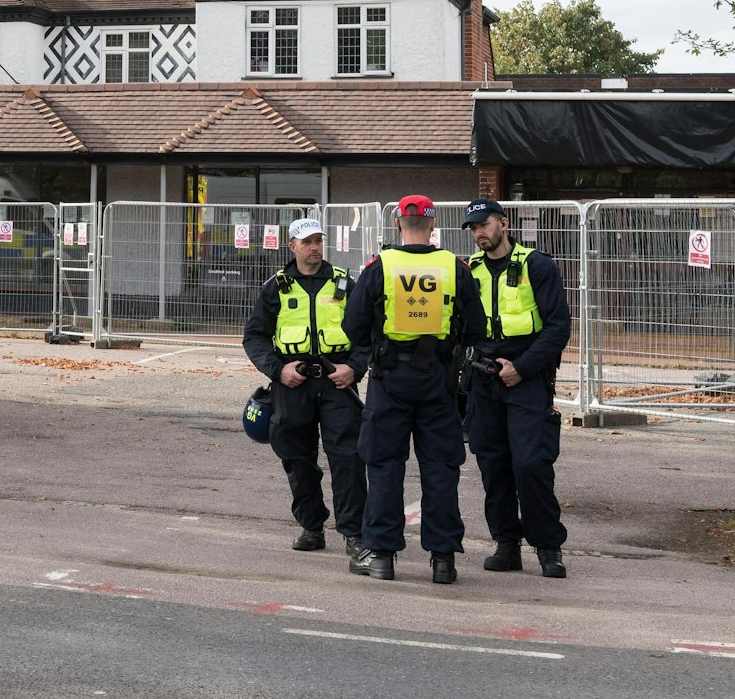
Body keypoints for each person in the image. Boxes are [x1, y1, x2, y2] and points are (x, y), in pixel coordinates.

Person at [343, 195, 483, 584]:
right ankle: (443, 560)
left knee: (385, 465)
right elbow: (476, 329)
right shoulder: (455, 268)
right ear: (433, 225)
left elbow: (352, 327)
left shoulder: (380, 267)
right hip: (438, 379)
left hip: (390, 379)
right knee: (440, 468)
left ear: (398, 225)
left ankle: (381, 556)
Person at [241, 217, 368, 570]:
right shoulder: (276, 287)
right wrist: (277, 369)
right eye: (307, 242)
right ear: (292, 247)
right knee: (297, 458)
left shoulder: (344, 283)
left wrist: (354, 368)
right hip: (292, 384)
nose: (314, 247)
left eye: (318, 241)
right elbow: (255, 336)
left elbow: (368, 334)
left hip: (337, 382)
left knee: (348, 459)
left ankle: (354, 534)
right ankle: (312, 526)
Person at [460, 197, 573, 579]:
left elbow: (558, 327)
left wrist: (521, 368)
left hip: (527, 377)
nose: (479, 233)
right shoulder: (468, 270)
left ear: (504, 223)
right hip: (483, 379)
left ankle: (548, 546)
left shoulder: (536, 265)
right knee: (493, 465)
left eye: (484, 225)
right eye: (474, 228)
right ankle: (506, 543)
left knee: (530, 464)